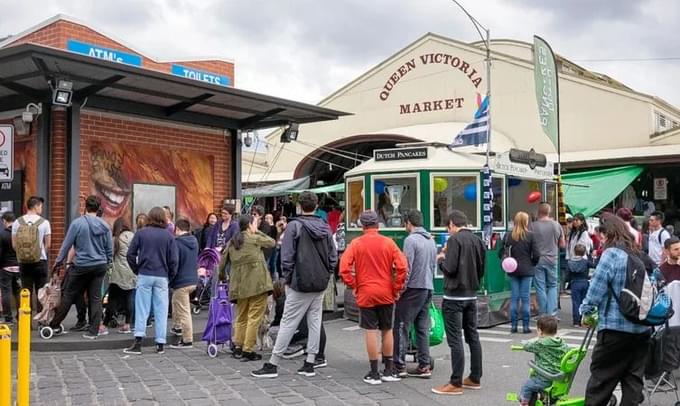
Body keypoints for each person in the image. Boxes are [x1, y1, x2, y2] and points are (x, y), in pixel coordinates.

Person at [252, 191, 337, 379]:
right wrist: (327, 272)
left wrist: (288, 278)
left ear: (299, 205)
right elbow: (333, 255)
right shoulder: (324, 226)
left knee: (288, 321)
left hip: (299, 281)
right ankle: (310, 362)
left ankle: (273, 363)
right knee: (315, 320)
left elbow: (286, 256)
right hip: (320, 281)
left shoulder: (295, 226)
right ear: (316, 206)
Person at [580, 215, 653, 405]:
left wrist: (585, 310)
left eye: (601, 235)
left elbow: (596, 289)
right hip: (642, 328)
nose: (600, 240)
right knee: (633, 381)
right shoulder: (638, 254)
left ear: (606, 233)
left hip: (614, 329)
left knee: (601, 382)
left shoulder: (611, 254)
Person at [339, 210, 407, 384]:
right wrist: (396, 287)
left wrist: (354, 285)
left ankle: (374, 372)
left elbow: (344, 268)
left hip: (366, 292)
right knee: (387, 330)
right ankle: (389, 370)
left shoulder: (356, 243)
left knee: (370, 330)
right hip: (386, 292)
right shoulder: (388, 243)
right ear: (378, 224)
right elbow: (402, 267)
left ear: (362, 225)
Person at [432, 210, 485, 395]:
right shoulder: (477, 240)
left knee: (455, 340)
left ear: (452, 224)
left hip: (454, 296)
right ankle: (475, 377)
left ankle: (455, 382)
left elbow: (451, 268)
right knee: (473, 336)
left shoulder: (454, 240)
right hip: (471, 294)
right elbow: (481, 268)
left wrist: (441, 260)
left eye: (449, 227)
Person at [49, 196, 113, 339]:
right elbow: (109, 248)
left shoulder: (77, 224)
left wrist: (58, 262)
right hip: (100, 265)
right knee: (95, 298)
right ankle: (93, 331)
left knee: (69, 295)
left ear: (86, 207)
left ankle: (54, 325)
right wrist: (108, 262)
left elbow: (67, 245)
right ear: (98, 208)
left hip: (82, 266)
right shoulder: (105, 226)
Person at [124, 207, 178, 355]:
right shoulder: (168, 236)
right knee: (161, 310)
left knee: (142, 308)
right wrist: (170, 276)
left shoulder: (141, 233)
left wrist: (137, 269)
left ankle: (138, 342)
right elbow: (174, 260)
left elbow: (130, 255)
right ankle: (160, 343)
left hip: (145, 273)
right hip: (162, 275)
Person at [223, 214, 275, 361]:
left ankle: (238, 346)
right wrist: (256, 231)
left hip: (239, 286)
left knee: (241, 317)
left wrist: (221, 277)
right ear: (249, 225)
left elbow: (222, 262)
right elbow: (271, 242)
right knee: (254, 317)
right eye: (255, 224)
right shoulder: (255, 238)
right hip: (258, 285)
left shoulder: (232, 242)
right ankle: (248, 349)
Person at [393, 209, 436, 378]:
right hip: (427, 287)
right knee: (422, 328)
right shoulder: (430, 240)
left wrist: (400, 289)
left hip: (413, 288)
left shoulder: (410, 240)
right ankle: (424, 365)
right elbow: (433, 266)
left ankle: (399, 365)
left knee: (402, 325)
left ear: (408, 222)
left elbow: (406, 268)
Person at [498, 211, 539, 334]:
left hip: (512, 269)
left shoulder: (508, 236)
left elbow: (500, 252)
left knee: (514, 298)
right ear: (526, 222)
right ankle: (526, 326)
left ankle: (513, 325)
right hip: (527, 269)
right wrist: (532, 263)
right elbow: (536, 254)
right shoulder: (530, 236)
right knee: (525, 298)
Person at [12, 196, 51, 316]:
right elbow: (48, 244)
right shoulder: (44, 222)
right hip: (40, 261)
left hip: (24, 262)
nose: (41, 209)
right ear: (36, 206)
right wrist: (39, 253)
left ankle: (25, 320)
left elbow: (14, 245)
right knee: (41, 292)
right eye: (40, 206)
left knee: (25, 290)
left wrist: (24, 254)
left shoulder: (17, 222)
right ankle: (41, 320)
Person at [517, 316, 570, 406]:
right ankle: (544, 398)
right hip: (557, 376)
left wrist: (525, 342)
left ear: (540, 331)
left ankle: (524, 402)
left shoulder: (541, 344)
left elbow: (527, 346)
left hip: (544, 377)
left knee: (527, 386)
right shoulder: (562, 343)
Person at [528, 203, 565, 316]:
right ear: (549, 212)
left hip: (537, 259)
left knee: (540, 286)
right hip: (552, 259)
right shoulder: (556, 225)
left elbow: (528, 243)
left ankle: (543, 313)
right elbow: (562, 245)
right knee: (552, 285)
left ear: (538, 212)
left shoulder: (532, 226)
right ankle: (552, 313)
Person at [103, 218, 136, 334]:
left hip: (117, 273)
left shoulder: (115, 239)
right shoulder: (133, 236)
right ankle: (127, 324)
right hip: (131, 272)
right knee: (129, 299)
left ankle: (104, 325)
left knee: (112, 299)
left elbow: (109, 255)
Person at [169, 219, 199, 348]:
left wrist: (171, 276)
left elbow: (174, 262)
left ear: (177, 229)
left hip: (181, 281)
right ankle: (177, 327)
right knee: (176, 302)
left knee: (184, 310)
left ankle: (187, 339)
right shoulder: (194, 241)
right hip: (193, 279)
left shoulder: (176, 243)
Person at [0, 212, 19, 324]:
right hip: (18, 267)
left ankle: (8, 318)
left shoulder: (2, 234)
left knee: (6, 292)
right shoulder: (19, 233)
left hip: (6, 267)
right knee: (18, 292)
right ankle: (21, 316)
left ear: (5, 221)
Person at [567, 244, 592, 328]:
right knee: (585, 302)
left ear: (574, 251)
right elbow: (594, 265)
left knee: (575, 302)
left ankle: (576, 321)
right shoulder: (585, 262)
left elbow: (567, 275)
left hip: (575, 283)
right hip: (585, 282)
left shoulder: (570, 262)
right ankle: (584, 320)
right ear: (584, 252)